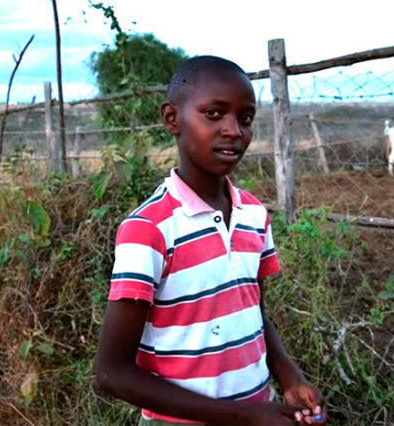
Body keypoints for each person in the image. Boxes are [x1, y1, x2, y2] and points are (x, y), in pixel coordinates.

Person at [95, 55, 325, 425]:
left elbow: (251, 312)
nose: (234, 130)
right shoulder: (149, 229)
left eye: (245, 118)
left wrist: (288, 376)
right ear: (172, 119)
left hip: (257, 410)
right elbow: (111, 373)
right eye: (214, 114)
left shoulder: (253, 215)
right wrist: (244, 416)